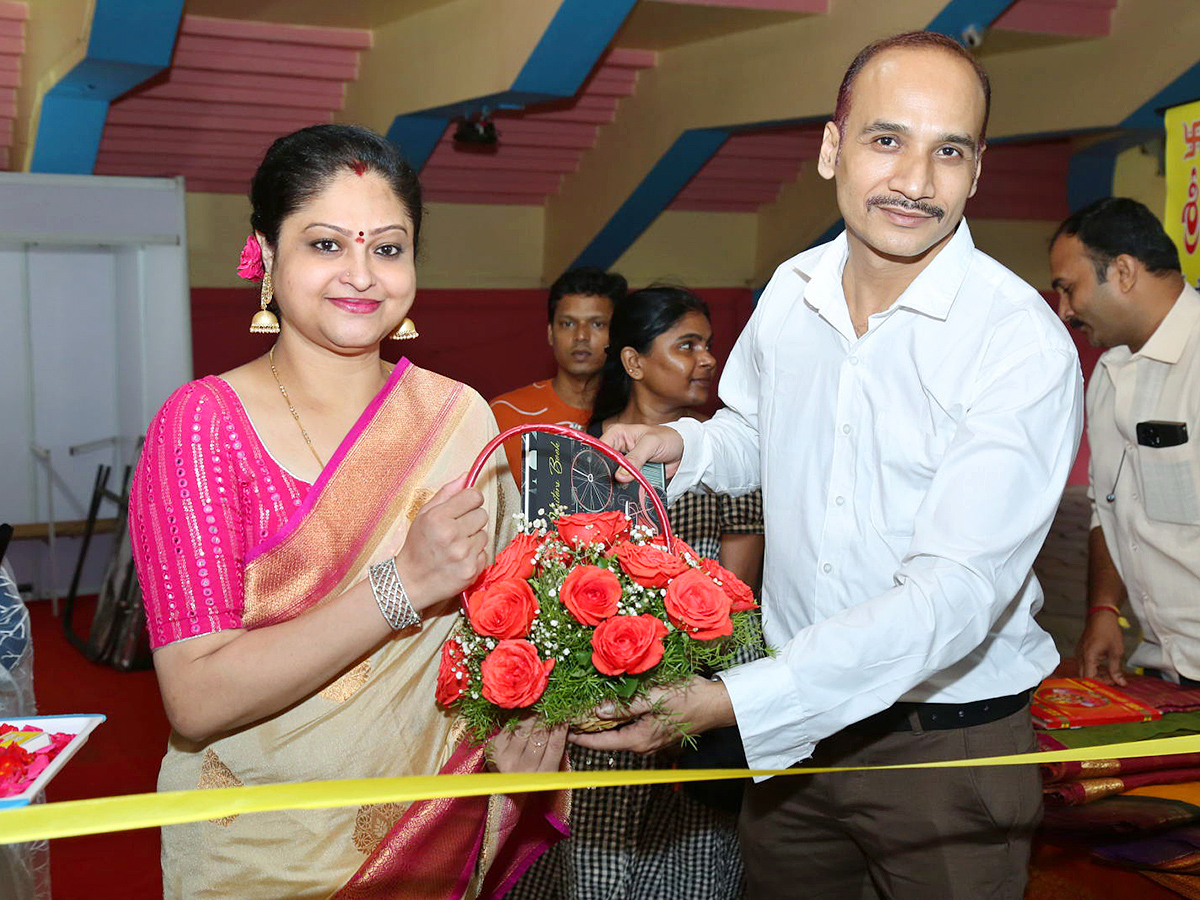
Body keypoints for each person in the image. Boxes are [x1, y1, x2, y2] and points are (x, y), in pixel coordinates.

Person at [576, 31, 1083, 900]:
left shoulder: (1016, 341)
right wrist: (685, 446)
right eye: (887, 139)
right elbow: (759, 432)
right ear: (830, 148)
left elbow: (952, 595)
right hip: (802, 750)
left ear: (978, 169)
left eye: (948, 150)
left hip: (943, 751)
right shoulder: (793, 289)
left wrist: (738, 701)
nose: (917, 182)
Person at [128, 124, 567, 900]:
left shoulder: (456, 414)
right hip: (263, 847)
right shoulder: (200, 426)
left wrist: (527, 717)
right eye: (326, 245)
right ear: (265, 254)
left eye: (389, 248)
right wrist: (401, 584)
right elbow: (194, 700)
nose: (362, 276)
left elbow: (506, 614)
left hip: (436, 823)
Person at [510, 286, 765, 900]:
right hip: (600, 697)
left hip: (698, 702)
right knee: (595, 878)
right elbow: (547, 583)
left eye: (708, 344)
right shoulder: (579, 457)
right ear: (633, 362)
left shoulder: (730, 457)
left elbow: (742, 599)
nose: (707, 359)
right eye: (686, 345)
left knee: (695, 873)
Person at [1049, 198, 1199, 687]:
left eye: (1069, 290)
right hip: (1163, 666)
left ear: (1124, 272)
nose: (1066, 311)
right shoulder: (1109, 377)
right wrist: (1104, 607)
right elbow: (1108, 507)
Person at [490, 267, 626, 486]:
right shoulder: (503, 414)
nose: (581, 336)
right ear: (551, 333)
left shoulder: (635, 415)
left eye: (597, 324)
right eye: (568, 323)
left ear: (617, 334)